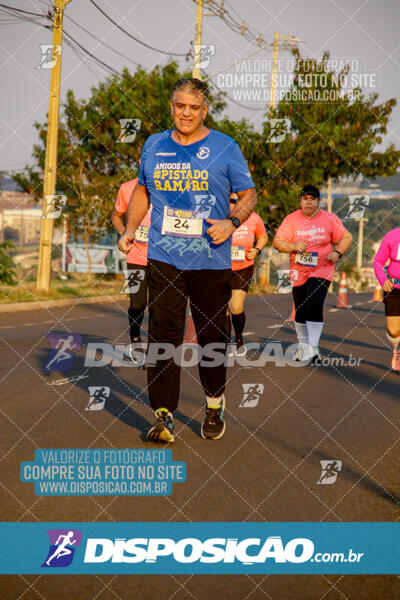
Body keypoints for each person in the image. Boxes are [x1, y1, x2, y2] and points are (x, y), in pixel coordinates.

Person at [118, 77, 257, 442]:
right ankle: (164, 415)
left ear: (205, 110)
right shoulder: (154, 145)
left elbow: (249, 195)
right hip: (164, 255)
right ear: (172, 106)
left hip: (211, 258)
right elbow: (142, 191)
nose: (186, 113)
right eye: (180, 106)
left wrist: (232, 222)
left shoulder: (225, 147)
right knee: (164, 334)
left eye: (194, 108)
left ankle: (214, 402)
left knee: (211, 336)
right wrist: (130, 229)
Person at [273, 184, 352, 362]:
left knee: (314, 303)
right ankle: (302, 345)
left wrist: (338, 253)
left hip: (322, 268)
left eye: (312, 199)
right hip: (298, 270)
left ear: (318, 202)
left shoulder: (329, 219)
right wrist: (293, 246)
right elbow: (277, 242)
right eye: (305, 199)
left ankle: (313, 347)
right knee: (300, 308)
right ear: (300, 201)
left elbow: (346, 237)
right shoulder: (291, 220)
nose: (308, 202)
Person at [112, 177, 151, 365]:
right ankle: (135, 339)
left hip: (164, 257)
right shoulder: (127, 188)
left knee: (161, 306)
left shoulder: (169, 186)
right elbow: (116, 216)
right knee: (138, 303)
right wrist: (124, 232)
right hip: (135, 256)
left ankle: (155, 350)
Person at [227, 193, 268, 356]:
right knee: (221, 308)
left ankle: (238, 338)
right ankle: (224, 343)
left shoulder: (253, 217)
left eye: (238, 201)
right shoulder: (219, 216)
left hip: (243, 267)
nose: (234, 204)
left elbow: (263, 237)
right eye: (231, 201)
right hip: (221, 268)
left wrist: (257, 250)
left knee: (236, 306)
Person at [373, 228, 400, 370]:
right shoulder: (393, 236)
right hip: (394, 288)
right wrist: (383, 280)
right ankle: (398, 346)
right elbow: (378, 261)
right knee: (394, 331)